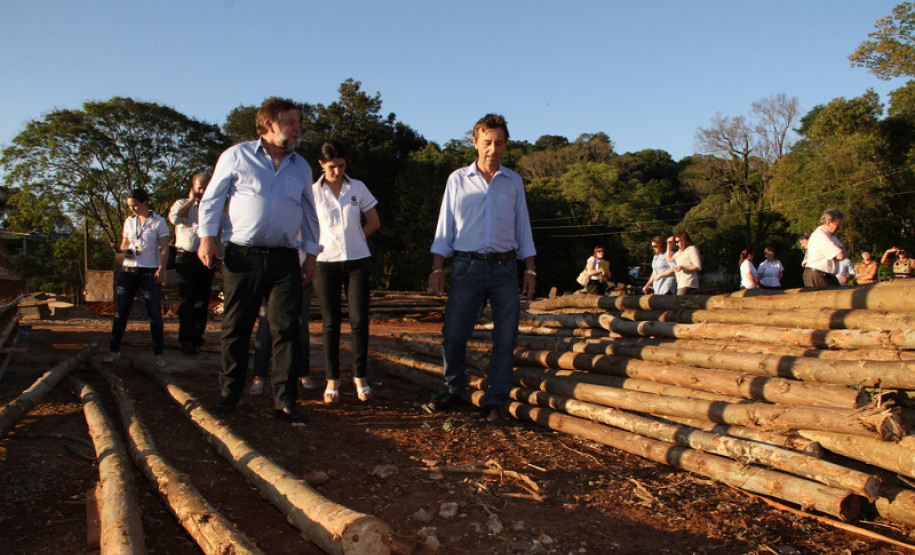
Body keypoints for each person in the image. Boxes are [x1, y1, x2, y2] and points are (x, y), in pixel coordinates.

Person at [197, 98, 321, 424]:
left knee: (286, 329)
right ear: (270, 125)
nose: (297, 129)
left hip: (285, 259)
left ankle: (284, 400)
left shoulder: (301, 166)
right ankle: (229, 394)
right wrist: (207, 238)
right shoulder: (236, 156)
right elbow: (212, 199)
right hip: (242, 256)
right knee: (236, 327)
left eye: (297, 123)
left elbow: (309, 213)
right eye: (292, 123)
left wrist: (311, 256)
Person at [427, 114, 536, 425]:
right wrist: (438, 268)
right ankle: (453, 387)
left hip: (505, 268)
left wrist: (530, 270)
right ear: (474, 142)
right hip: (466, 266)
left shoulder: (513, 181)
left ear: (505, 145)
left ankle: (495, 399)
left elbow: (522, 227)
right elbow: (444, 227)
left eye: (499, 143)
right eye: (487, 142)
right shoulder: (457, 179)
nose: (493, 148)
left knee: (506, 337)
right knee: (454, 333)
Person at [312, 141, 380, 404]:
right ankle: (332, 380)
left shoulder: (358, 187)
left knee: (359, 320)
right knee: (330, 323)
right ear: (321, 164)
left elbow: (374, 222)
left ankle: (360, 377)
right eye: (332, 167)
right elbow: (304, 227)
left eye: (341, 166)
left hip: (357, 260)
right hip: (325, 261)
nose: (337, 171)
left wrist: (356, 239)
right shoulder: (312, 192)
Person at [103, 188, 170, 367]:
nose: (132, 209)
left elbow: (165, 248)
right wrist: (126, 250)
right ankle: (113, 350)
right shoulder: (129, 221)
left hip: (149, 271)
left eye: (135, 205)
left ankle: (158, 354)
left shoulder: (159, 222)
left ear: (145, 202)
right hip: (129, 269)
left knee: (154, 313)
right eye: (130, 206)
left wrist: (161, 270)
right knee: (121, 312)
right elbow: (124, 242)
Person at [169, 173, 214, 356]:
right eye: (199, 188)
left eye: (205, 188)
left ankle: (197, 338)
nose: (202, 191)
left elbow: (218, 232)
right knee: (187, 298)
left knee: (202, 300)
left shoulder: (212, 206)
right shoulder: (181, 204)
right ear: (193, 188)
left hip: (205, 258)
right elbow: (176, 219)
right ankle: (185, 339)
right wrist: (191, 201)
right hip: (185, 257)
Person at [251, 275, 315, 395]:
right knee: (266, 322)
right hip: (269, 275)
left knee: (300, 322)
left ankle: (303, 372)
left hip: (301, 273)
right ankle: (259, 375)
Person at [802, 209, 846, 288]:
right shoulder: (821, 235)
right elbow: (840, 255)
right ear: (828, 222)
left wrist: (840, 251)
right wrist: (840, 251)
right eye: (837, 224)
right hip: (818, 275)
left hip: (827, 275)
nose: (839, 228)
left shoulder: (831, 236)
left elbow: (843, 253)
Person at [666, 231, 702, 295]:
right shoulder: (679, 252)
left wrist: (683, 267)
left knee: (678, 303)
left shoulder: (692, 249)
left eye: (677, 242)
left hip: (689, 284)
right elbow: (669, 259)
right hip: (680, 284)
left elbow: (698, 266)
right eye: (675, 242)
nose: (676, 244)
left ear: (683, 240)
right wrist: (669, 244)